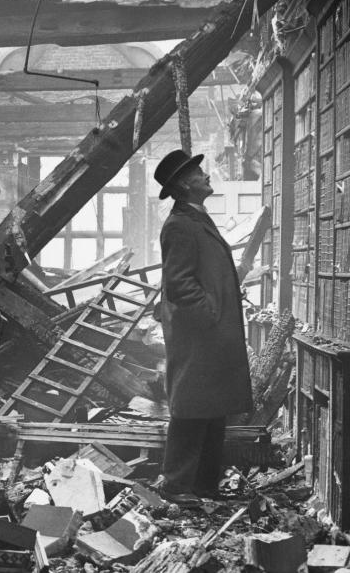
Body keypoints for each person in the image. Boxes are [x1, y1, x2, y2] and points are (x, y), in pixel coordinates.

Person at [152, 149, 252, 500]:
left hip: (209, 332)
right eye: (197, 172)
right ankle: (177, 484)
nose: (205, 175)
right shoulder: (180, 225)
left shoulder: (196, 217)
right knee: (191, 408)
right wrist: (208, 314)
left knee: (211, 407)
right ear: (184, 184)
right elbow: (179, 283)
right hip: (199, 333)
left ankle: (205, 485)